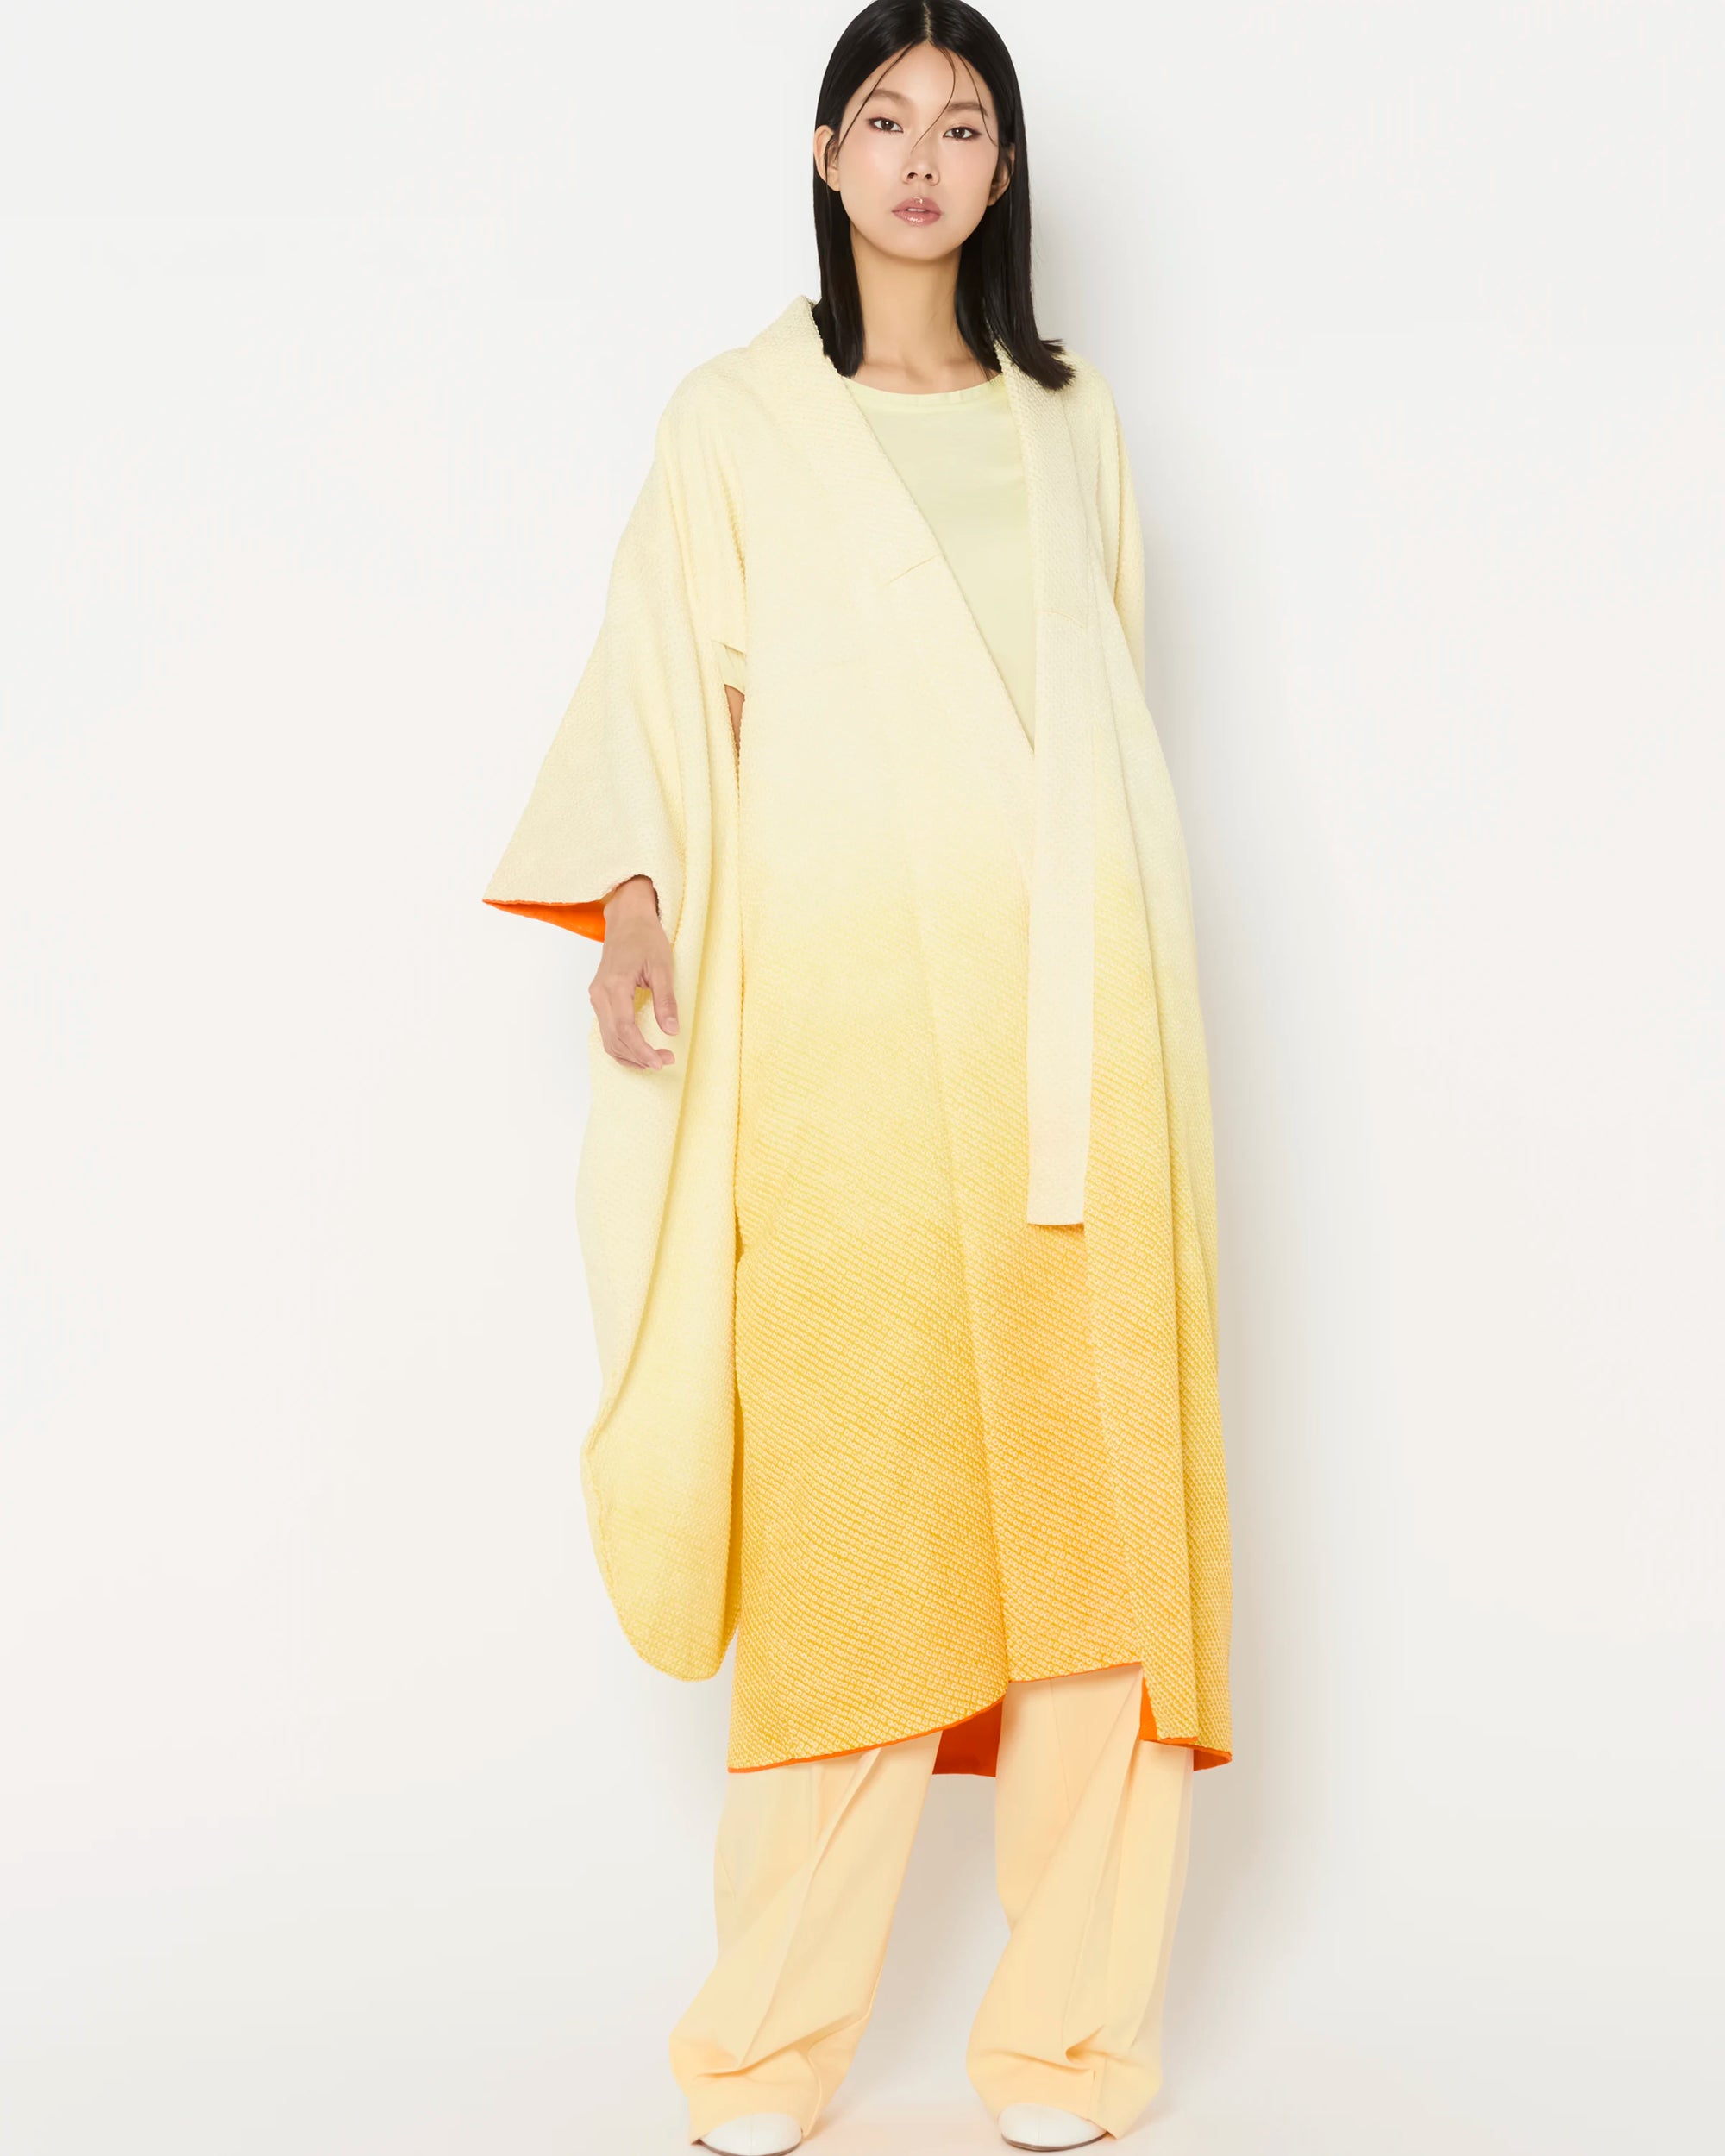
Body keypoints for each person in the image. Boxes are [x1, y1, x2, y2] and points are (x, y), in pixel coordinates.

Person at [482, 5, 1234, 2149]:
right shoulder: (734, 421)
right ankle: (764, 2046)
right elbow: (656, 691)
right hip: (847, 1048)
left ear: (1003, 169)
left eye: (962, 123)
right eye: (884, 118)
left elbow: (1101, 718)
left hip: (1084, 1039)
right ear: (826, 154)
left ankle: (1066, 2039)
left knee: (1099, 1534)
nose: (921, 156)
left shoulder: (1072, 419)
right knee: (857, 1528)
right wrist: (636, 907)